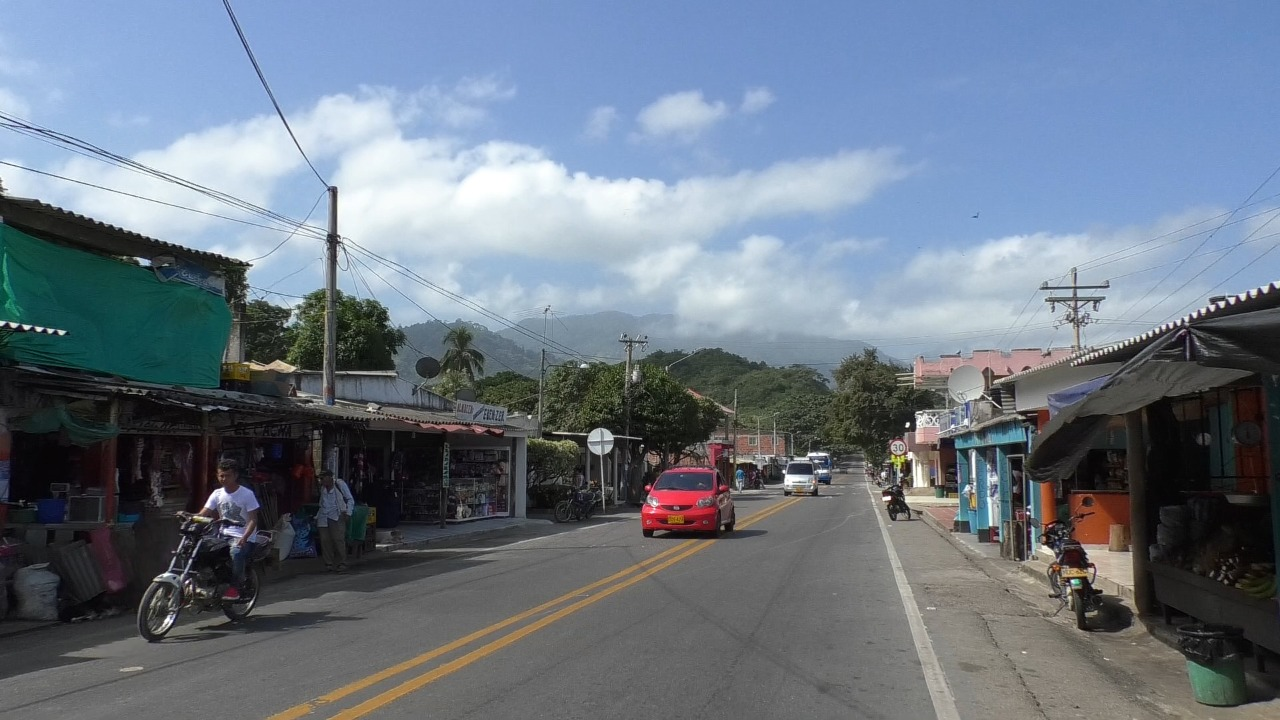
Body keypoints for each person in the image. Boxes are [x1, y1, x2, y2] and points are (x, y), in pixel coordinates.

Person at [197, 459, 260, 601]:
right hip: (222, 536)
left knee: (236, 552)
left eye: (227, 475)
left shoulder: (247, 494)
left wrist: (244, 538)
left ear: (235, 475)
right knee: (197, 548)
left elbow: (253, 520)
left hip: (243, 537)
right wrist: (189, 517)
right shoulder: (217, 493)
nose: (223, 479)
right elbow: (203, 513)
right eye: (220, 475)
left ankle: (235, 588)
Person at [316, 469, 356, 572]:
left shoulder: (339, 484)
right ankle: (328, 563)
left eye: (323, 478)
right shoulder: (322, 488)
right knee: (325, 540)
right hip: (324, 516)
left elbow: (350, 499)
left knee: (338, 540)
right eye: (320, 479)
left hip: (337, 515)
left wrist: (348, 512)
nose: (321, 481)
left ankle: (342, 562)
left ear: (329, 478)